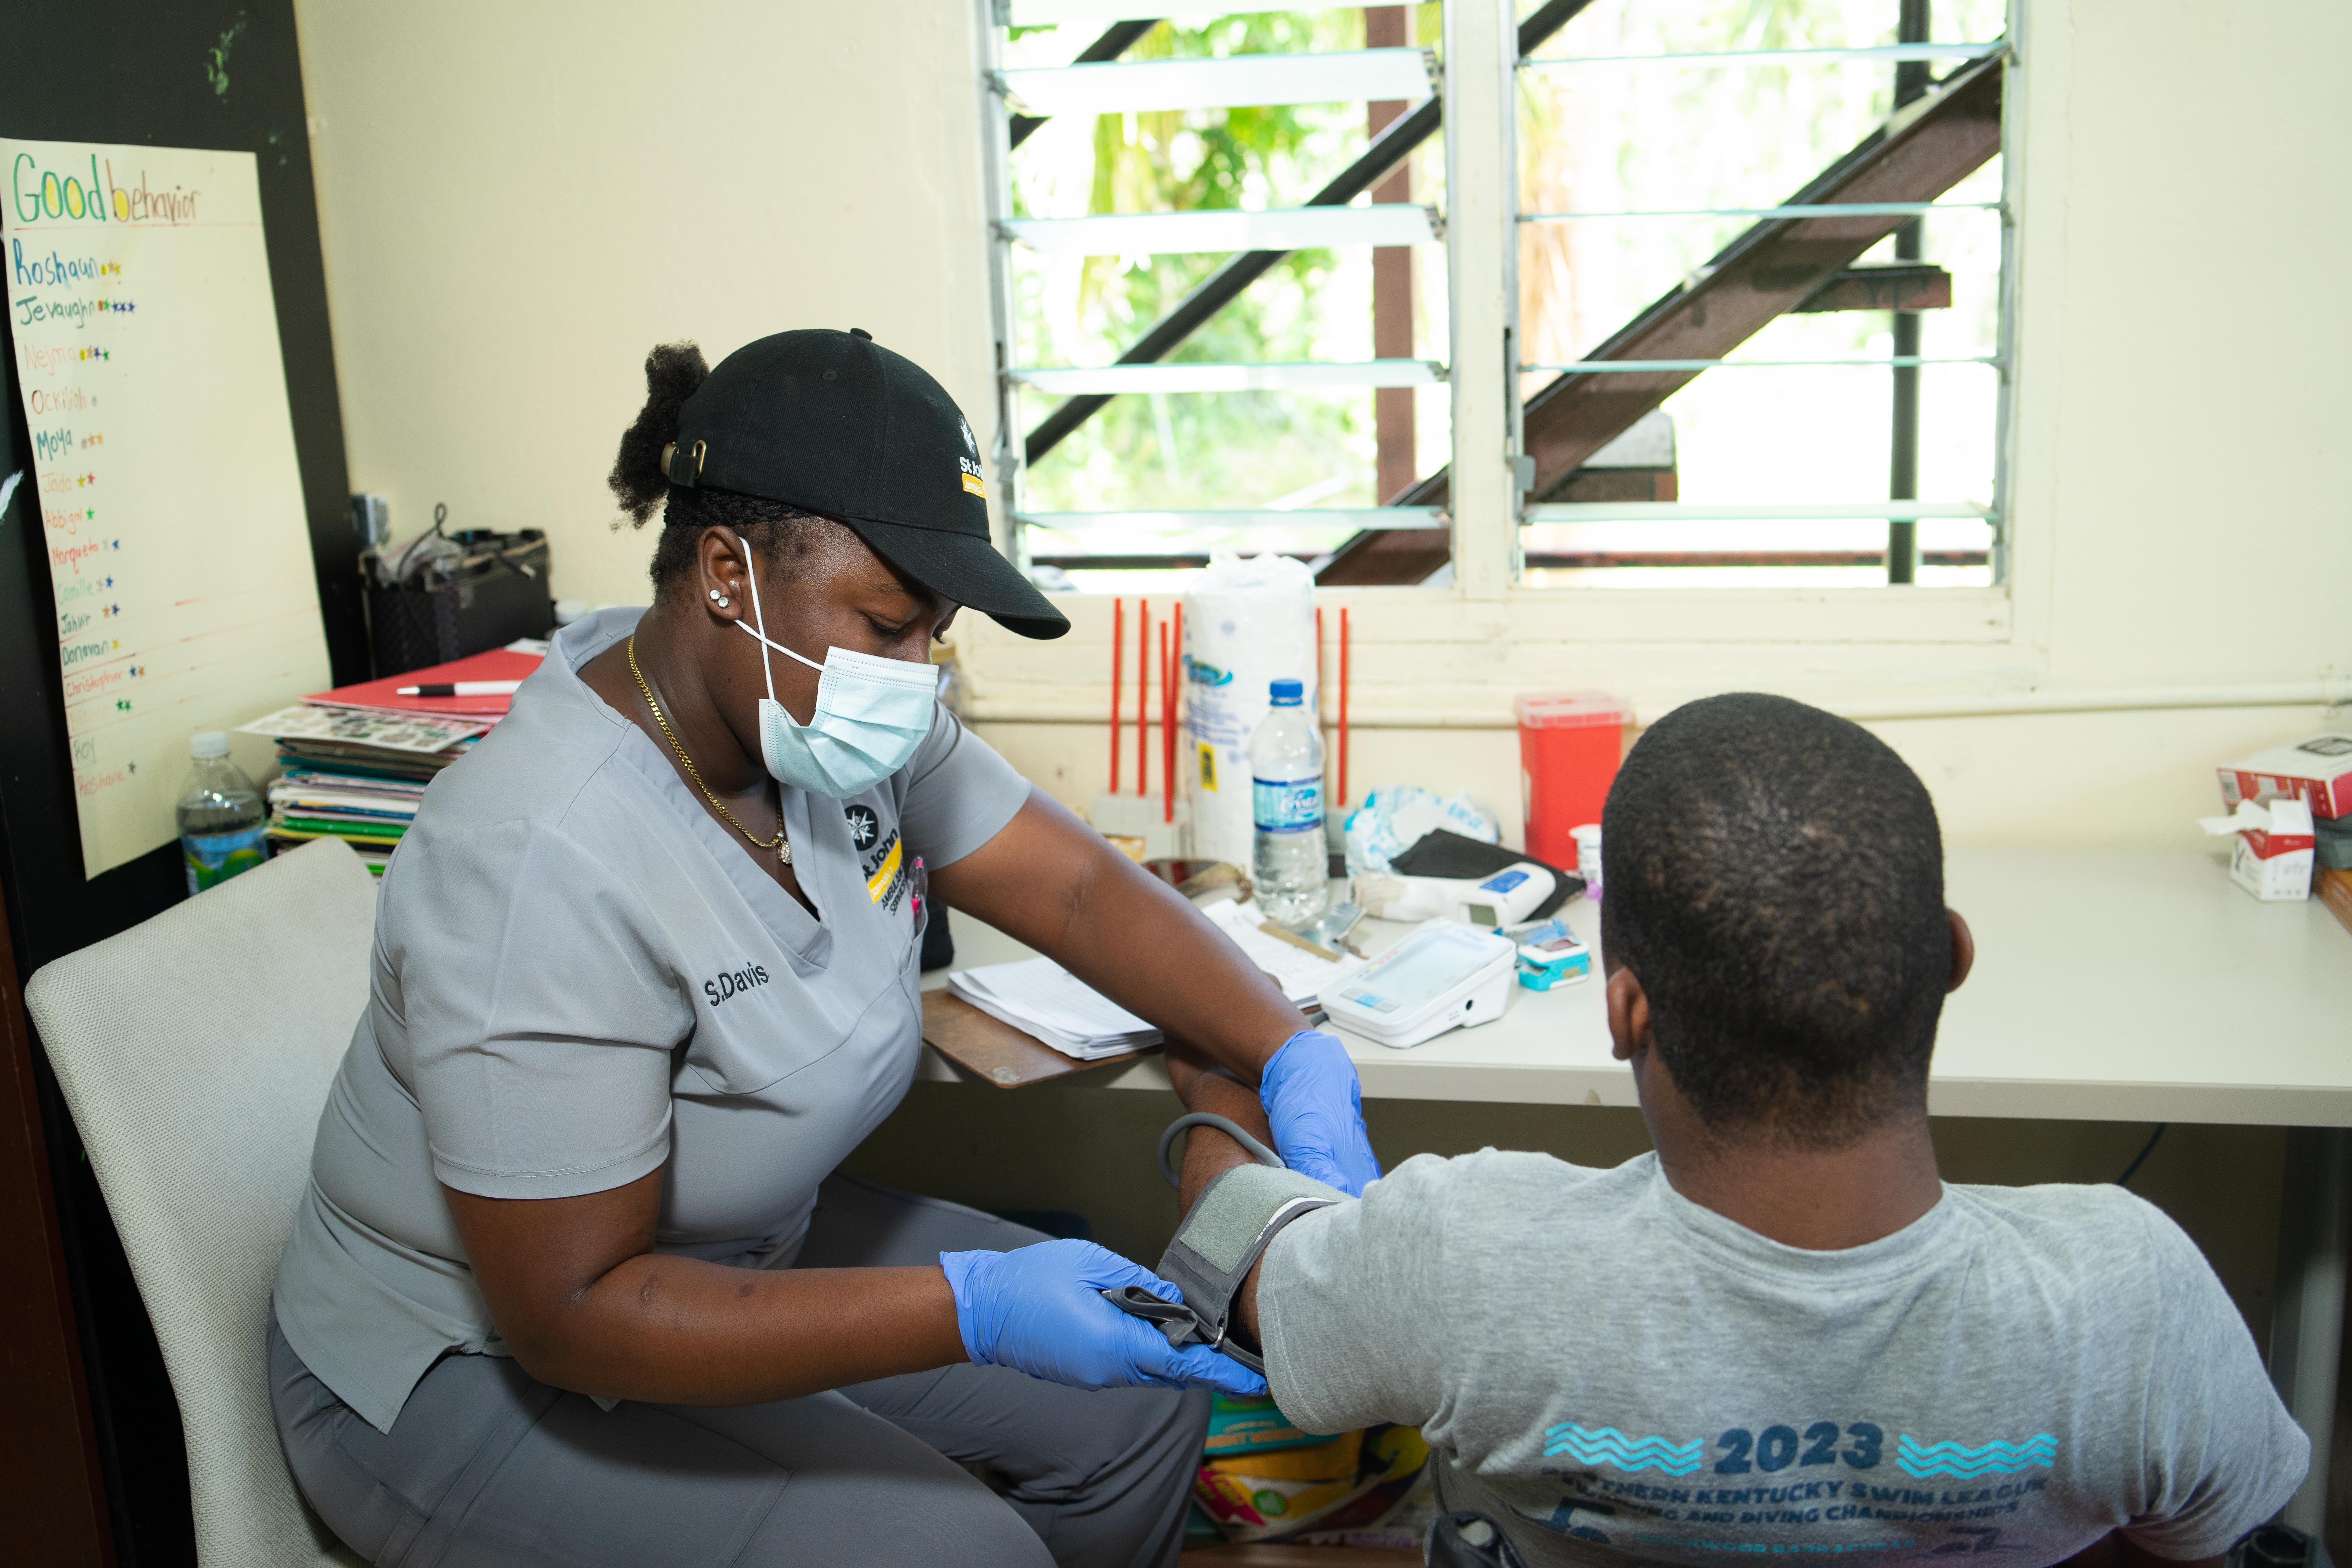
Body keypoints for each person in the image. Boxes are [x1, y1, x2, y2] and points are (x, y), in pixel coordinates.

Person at [268, 328, 1383, 1568]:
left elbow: (1074, 891)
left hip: (744, 1248)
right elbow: (572, 1315)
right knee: (962, 1554)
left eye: (935, 634)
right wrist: (978, 1310)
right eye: (891, 625)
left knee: (1146, 1393)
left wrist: (1289, 1052)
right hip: (463, 1361)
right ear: (727, 573)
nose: (919, 677)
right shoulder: (540, 855)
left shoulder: (814, 723)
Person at [1161, 693, 2308, 1568]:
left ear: (1624, 1009)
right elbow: (2206, 1541)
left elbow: (1240, 1260)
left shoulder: (1465, 1261)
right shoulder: (2136, 1305)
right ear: (1951, 960)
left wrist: (1224, 1083)